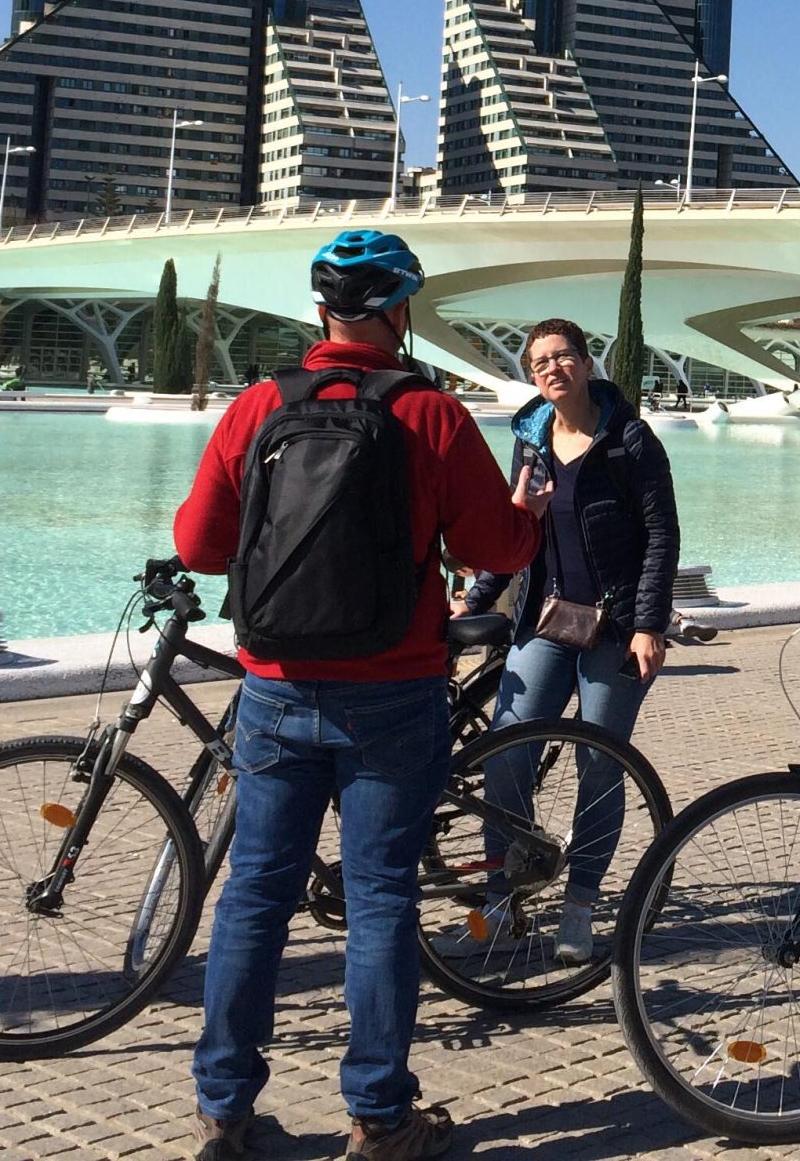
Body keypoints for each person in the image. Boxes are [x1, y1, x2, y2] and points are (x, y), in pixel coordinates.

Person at [172, 230, 540, 1161]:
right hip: (393, 691)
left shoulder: (259, 406)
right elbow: (496, 550)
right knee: (379, 900)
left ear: (321, 312)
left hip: (276, 689)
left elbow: (200, 547)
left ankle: (224, 1111)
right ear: (399, 311)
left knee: (254, 895)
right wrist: (527, 517)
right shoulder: (431, 413)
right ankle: (379, 1119)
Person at [456, 318, 679, 964]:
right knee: (506, 754)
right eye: (539, 362)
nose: (551, 368)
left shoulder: (630, 440)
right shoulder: (529, 441)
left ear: (585, 363)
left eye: (562, 357)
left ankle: (579, 907)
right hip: (544, 623)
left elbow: (662, 535)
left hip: (614, 630)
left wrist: (649, 625)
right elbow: (514, 531)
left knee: (600, 765)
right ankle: (502, 900)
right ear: (532, 375)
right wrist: (475, 599)